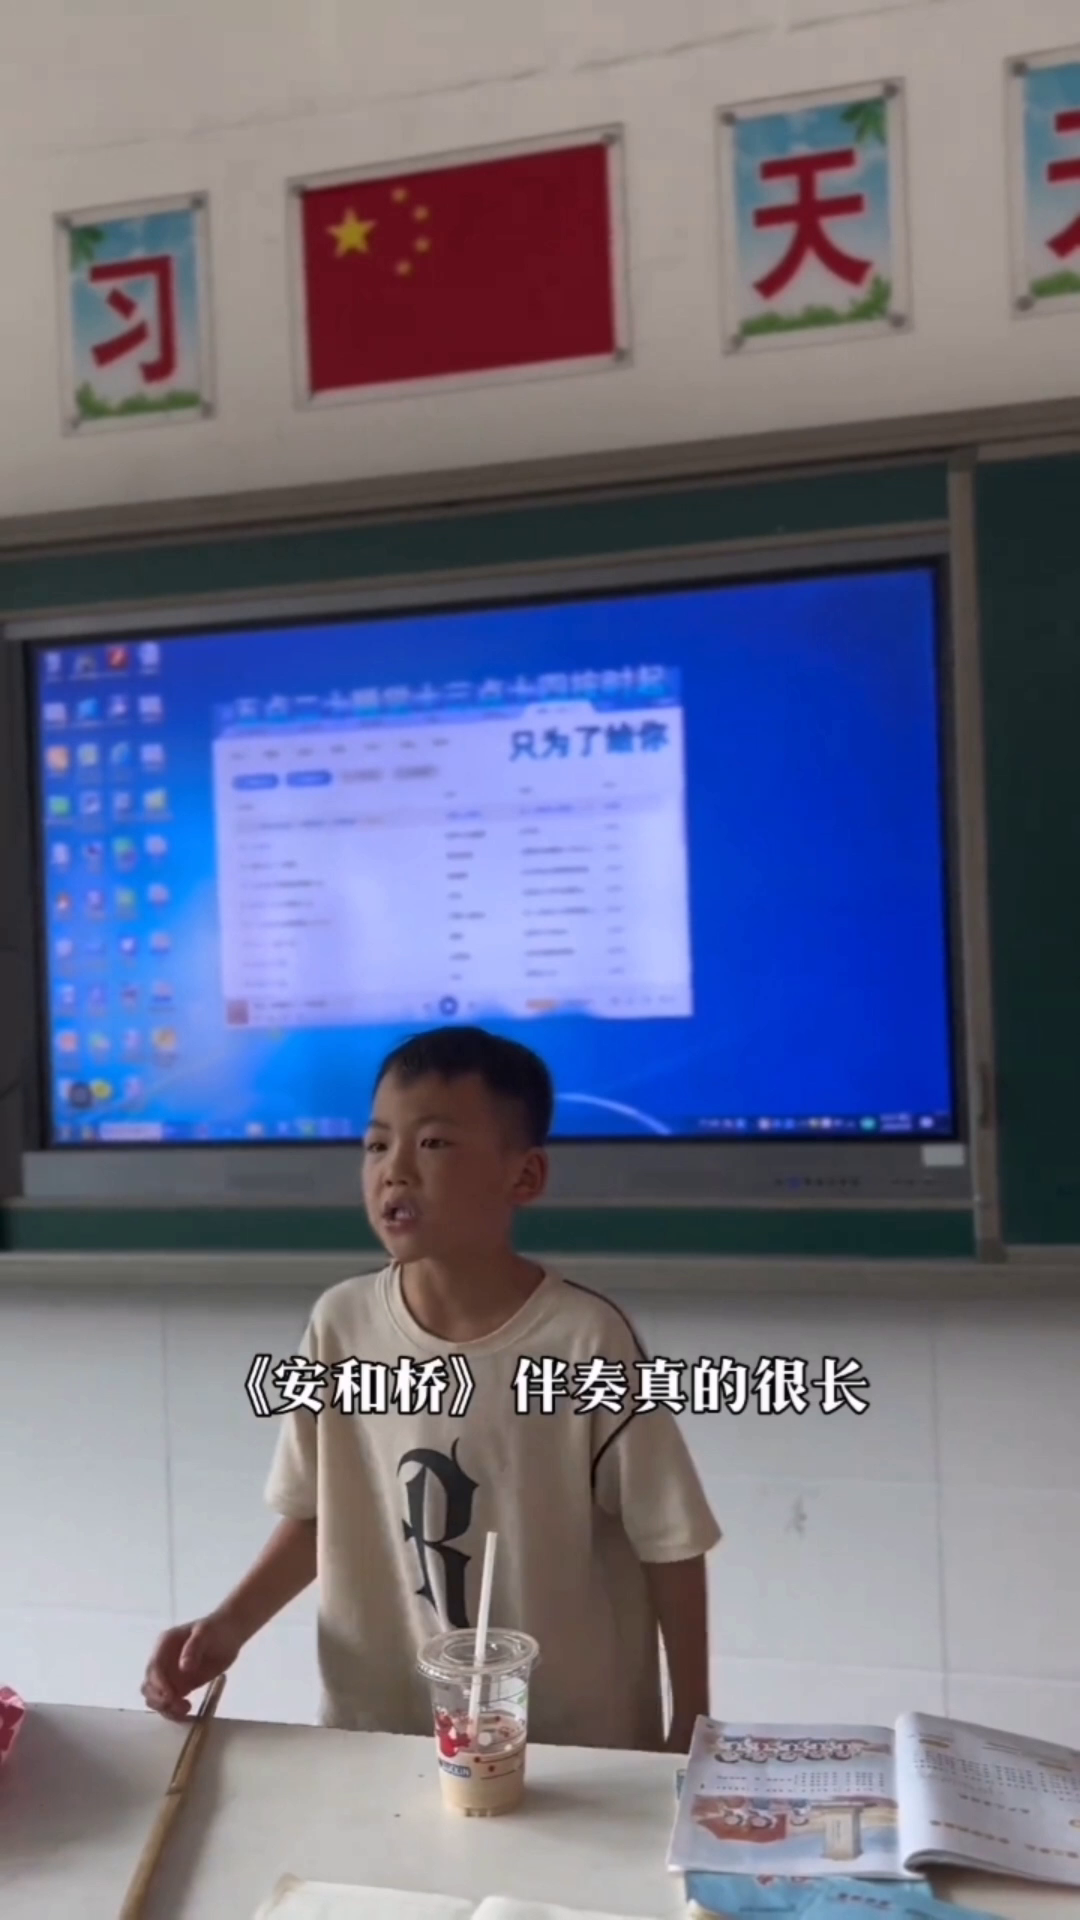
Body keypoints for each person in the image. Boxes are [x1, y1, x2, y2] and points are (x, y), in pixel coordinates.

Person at [142, 1025, 721, 1751]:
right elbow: (319, 1514)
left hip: (566, 1744)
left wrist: (692, 1721)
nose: (395, 1171)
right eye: (376, 1145)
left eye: (434, 1143)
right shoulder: (339, 1323)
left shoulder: (584, 1339)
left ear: (525, 1176)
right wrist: (227, 1625)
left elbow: (670, 1540)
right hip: (383, 1733)